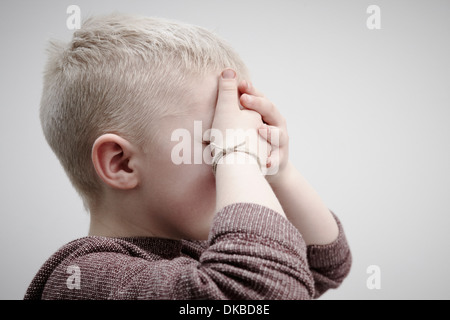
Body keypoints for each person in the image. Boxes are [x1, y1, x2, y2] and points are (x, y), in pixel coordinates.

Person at [24, 13, 351, 300]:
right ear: (121, 163)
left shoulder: (199, 252)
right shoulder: (80, 281)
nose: (234, 163)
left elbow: (322, 265)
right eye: (215, 139)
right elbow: (263, 290)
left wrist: (280, 172)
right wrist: (236, 156)